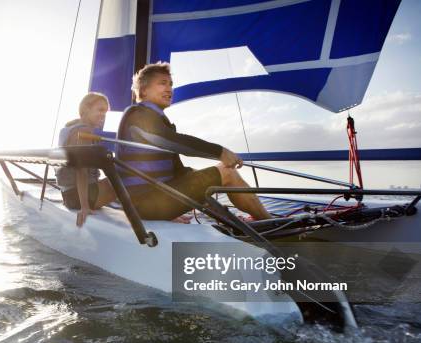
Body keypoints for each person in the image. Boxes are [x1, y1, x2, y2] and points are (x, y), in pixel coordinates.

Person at [116, 62, 272, 221]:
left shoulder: (156, 119)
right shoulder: (137, 114)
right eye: (162, 83)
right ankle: (268, 222)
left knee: (216, 173)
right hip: (144, 204)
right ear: (143, 89)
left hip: (151, 202)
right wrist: (220, 152)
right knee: (228, 172)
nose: (169, 89)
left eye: (171, 84)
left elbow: (178, 170)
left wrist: (205, 183)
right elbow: (171, 140)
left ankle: (239, 221)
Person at [56, 92, 116, 226]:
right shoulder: (84, 132)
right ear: (85, 110)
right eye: (100, 110)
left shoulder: (70, 128)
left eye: (105, 112)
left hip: (68, 194)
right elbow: (81, 169)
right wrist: (84, 206)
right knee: (127, 180)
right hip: (80, 196)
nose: (103, 115)